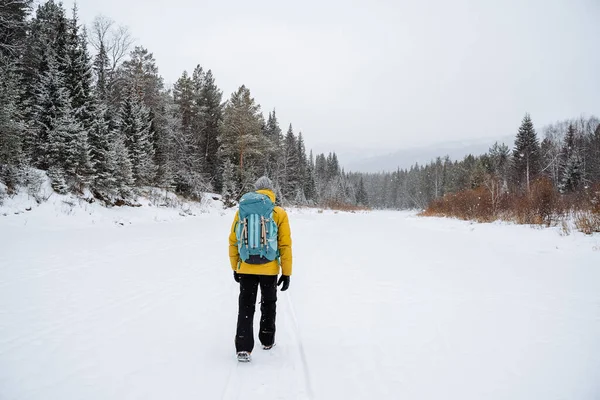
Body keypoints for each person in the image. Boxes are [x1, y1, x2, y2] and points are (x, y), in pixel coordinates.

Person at [228, 176, 292, 362]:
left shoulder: (242, 211)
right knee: (268, 304)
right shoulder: (278, 212)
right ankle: (266, 339)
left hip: (246, 266)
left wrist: (236, 267)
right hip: (269, 268)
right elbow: (285, 245)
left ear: (255, 190)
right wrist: (286, 272)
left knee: (246, 306)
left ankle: (243, 347)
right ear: (271, 191)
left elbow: (233, 241)